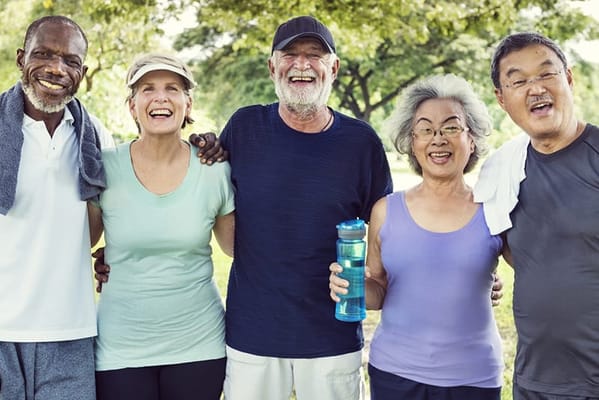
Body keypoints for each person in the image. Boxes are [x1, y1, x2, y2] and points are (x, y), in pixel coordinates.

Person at [187, 15, 392, 400]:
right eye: (290, 54)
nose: (302, 64)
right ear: (272, 67)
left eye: (315, 55)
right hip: (254, 333)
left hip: (333, 333)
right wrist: (202, 146)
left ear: (333, 68)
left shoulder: (361, 143)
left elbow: (389, 233)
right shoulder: (245, 128)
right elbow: (204, 193)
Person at [329, 74, 506, 400]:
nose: (438, 139)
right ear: (411, 142)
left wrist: (488, 281)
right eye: (425, 129)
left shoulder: (493, 210)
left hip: (475, 377)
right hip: (395, 374)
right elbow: (378, 291)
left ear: (472, 139)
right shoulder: (385, 210)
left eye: (451, 127)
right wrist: (348, 286)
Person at [87, 53, 235, 400]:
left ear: (188, 103)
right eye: (147, 89)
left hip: (199, 343)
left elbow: (236, 247)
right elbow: (81, 239)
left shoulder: (214, 169)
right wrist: (103, 256)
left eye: (172, 88)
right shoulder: (104, 167)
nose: (160, 98)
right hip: (120, 346)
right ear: (132, 105)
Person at [473, 32, 599, 400]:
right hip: (535, 381)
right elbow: (515, 253)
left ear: (569, 79)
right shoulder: (501, 172)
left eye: (546, 74)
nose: (536, 88)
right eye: (518, 81)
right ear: (501, 98)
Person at [0, 15, 114, 400]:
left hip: (71, 331)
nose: (56, 69)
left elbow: (108, 219)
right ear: (21, 58)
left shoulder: (96, 135)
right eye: (44, 54)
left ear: (82, 71)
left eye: (71, 61)